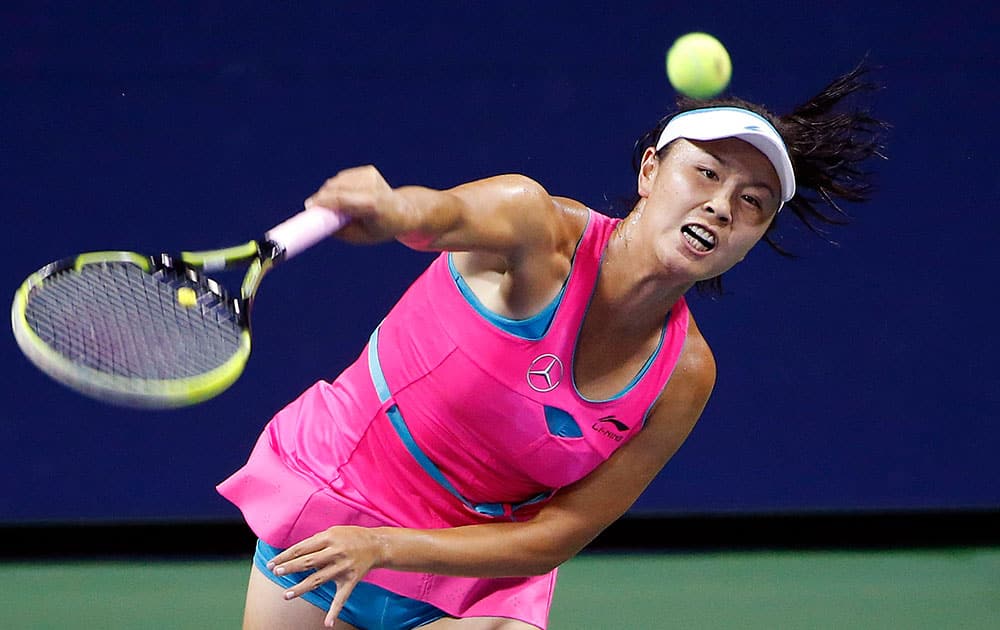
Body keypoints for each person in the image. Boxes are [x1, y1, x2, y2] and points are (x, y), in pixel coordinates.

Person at [218, 63, 886, 629]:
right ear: (651, 171)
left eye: (752, 203)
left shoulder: (684, 373)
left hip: (472, 567)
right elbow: (441, 216)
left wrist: (386, 546)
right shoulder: (535, 226)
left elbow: (559, 534)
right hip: (337, 491)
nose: (721, 207)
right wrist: (394, 211)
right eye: (707, 174)